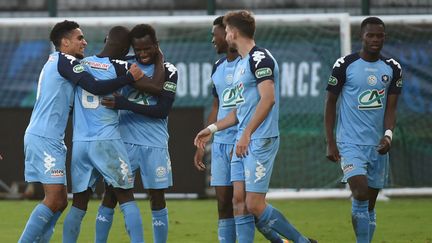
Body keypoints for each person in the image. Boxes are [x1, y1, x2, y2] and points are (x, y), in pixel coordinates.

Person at [194, 10, 315, 243]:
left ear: (234, 32)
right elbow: (241, 111)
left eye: (227, 30)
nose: (225, 34)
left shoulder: (260, 58)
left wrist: (247, 133)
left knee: (254, 204)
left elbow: (268, 99)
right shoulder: (241, 64)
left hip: (260, 139)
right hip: (244, 139)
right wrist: (212, 129)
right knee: (238, 202)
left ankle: (301, 241)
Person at [18, 20, 143, 243]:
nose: (85, 42)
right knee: (55, 199)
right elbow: (94, 87)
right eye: (79, 38)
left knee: (62, 202)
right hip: (45, 138)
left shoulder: (56, 62)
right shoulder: (66, 60)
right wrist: (129, 78)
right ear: (64, 42)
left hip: (48, 137)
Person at [62, 25, 163, 243]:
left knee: (79, 203)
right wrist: (159, 57)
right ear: (125, 48)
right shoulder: (121, 67)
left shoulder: (81, 63)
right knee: (126, 197)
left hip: (80, 142)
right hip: (107, 141)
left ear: (106, 39)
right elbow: (156, 87)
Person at [324, 17, 402, 243]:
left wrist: (388, 135)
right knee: (360, 193)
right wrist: (331, 141)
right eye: (371, 35)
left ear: (384, 37)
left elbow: (391, 107)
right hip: (349, 143)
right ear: (362, 37)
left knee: (370, 204)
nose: (375, 39)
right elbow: (330, 102)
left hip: (377, 146)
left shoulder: (393, 68)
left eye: (379, 35)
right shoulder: (344, 65)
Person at [98, 23, 177, 243]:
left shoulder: (170, 70)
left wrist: (126, 104)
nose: (142, 54)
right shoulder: (126, 66)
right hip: (124, 142)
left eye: (147, 49)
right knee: (111, 194)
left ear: (156, 46)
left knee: (157, 197)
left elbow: (162, 110)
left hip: (155, 143)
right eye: (138, 49)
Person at [193, 15, 240, 243]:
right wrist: (205, 139)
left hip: (243, 142)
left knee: (247, 206)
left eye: (215, 34)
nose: (213, 40)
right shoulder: (218, 66)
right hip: (221, 142)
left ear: (229, 33)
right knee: (223, 203)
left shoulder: (251, 63)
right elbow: (217, 105)